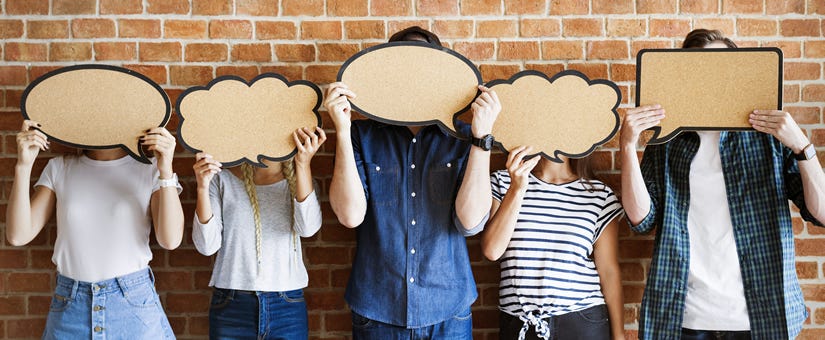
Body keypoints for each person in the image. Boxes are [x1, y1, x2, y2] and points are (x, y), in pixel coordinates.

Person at [620, 28, 825, 339]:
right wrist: (627, 146)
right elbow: (640, 218)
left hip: (760, 319)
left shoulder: (768, 139)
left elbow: (822, 213)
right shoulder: (668, 142)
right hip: (684, 319)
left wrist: (801, 146)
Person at [325, 26, 499, 339]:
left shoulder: (462, 138)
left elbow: (471, 222)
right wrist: (340, 129)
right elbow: (350, 216)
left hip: (449, 310)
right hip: (378, 308)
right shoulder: (362, 136)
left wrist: (481, 139)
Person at [7, 120, 184, 339]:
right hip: (70, 306)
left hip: (132, 307)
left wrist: (166, 169)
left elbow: (171, 240)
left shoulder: (151, 169)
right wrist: (23, 166)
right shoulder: (60, 167)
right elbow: (18, 235)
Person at [191, 127, 325, 339]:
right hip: (231, 305)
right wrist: (201, 187)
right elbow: (207, 246)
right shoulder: (221, 179)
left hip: (287, 305)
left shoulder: (301, 181)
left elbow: (307, 229)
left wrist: (303, 164)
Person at [482, 146, 625, 340]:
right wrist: (517, 188)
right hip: (520, 322)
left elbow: (608, 270)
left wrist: (619, 335)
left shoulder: (599, 194)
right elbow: (492, 250)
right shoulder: (504, 180)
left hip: (582, 322)